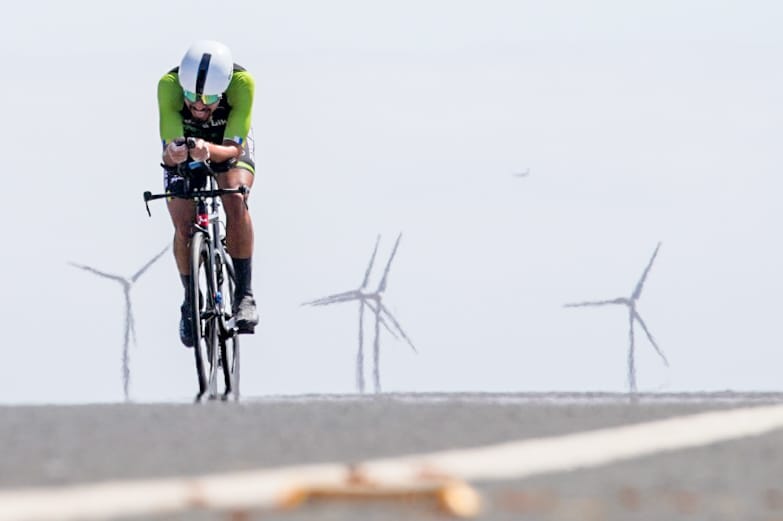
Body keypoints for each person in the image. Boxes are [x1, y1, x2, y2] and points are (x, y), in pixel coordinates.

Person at [158, 40, 259, 347]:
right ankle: (190, 300)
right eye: (191, 98)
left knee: (235, 197)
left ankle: (244, 295)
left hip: (225, 145)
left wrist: (207, 150)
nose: (199, 107)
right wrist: (175, 154)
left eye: (210, 100)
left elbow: (233, 148)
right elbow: (168, 152)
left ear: (225, 88)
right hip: (186, 149)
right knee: (184, 225)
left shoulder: (242, 84)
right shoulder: (168, 85)